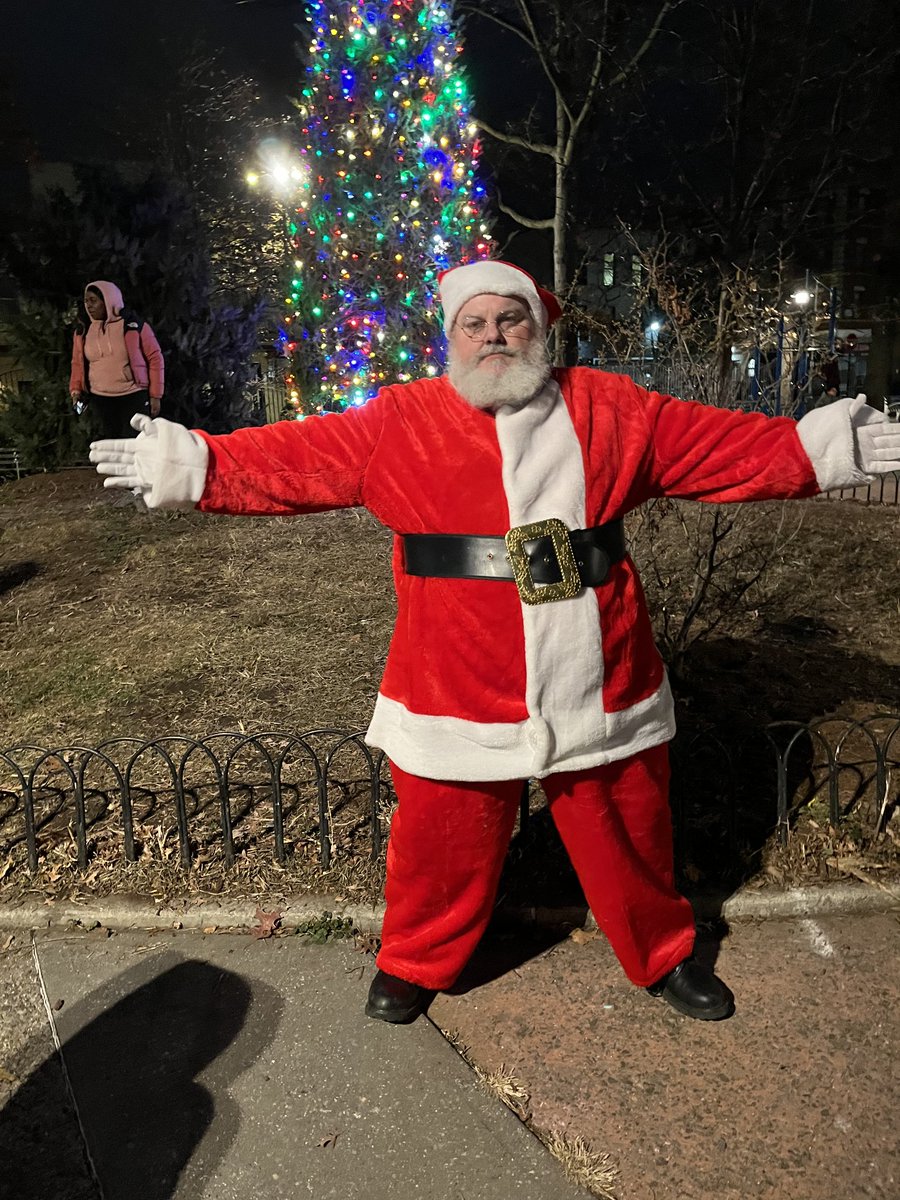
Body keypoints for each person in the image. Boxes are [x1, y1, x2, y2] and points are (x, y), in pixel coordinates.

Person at [88, 260, 900, 1024]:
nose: (494, 335)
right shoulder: (402, 419)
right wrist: (193, 462)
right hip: (454, 680)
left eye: (510, 319)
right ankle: (415, 960)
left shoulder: (609, 407)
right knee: (440, 837)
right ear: (452, 340)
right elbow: (295, 458)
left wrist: (822, 449)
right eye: (475, 323)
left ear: (538, 330)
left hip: (599, 670)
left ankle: (662, 953)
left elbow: (722, 448)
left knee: (631, 826)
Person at [70, 281, 164, 440]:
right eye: (86, 301)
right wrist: (75, 390)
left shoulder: (133, 326)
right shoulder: (83, 331)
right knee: (110, 449)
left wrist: (155, 395)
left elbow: (155, 358)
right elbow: (77, 363)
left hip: (133, 396)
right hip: (100, 399)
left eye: (94, 301)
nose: (89, 306)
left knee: (136, 446)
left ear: (108, 300)